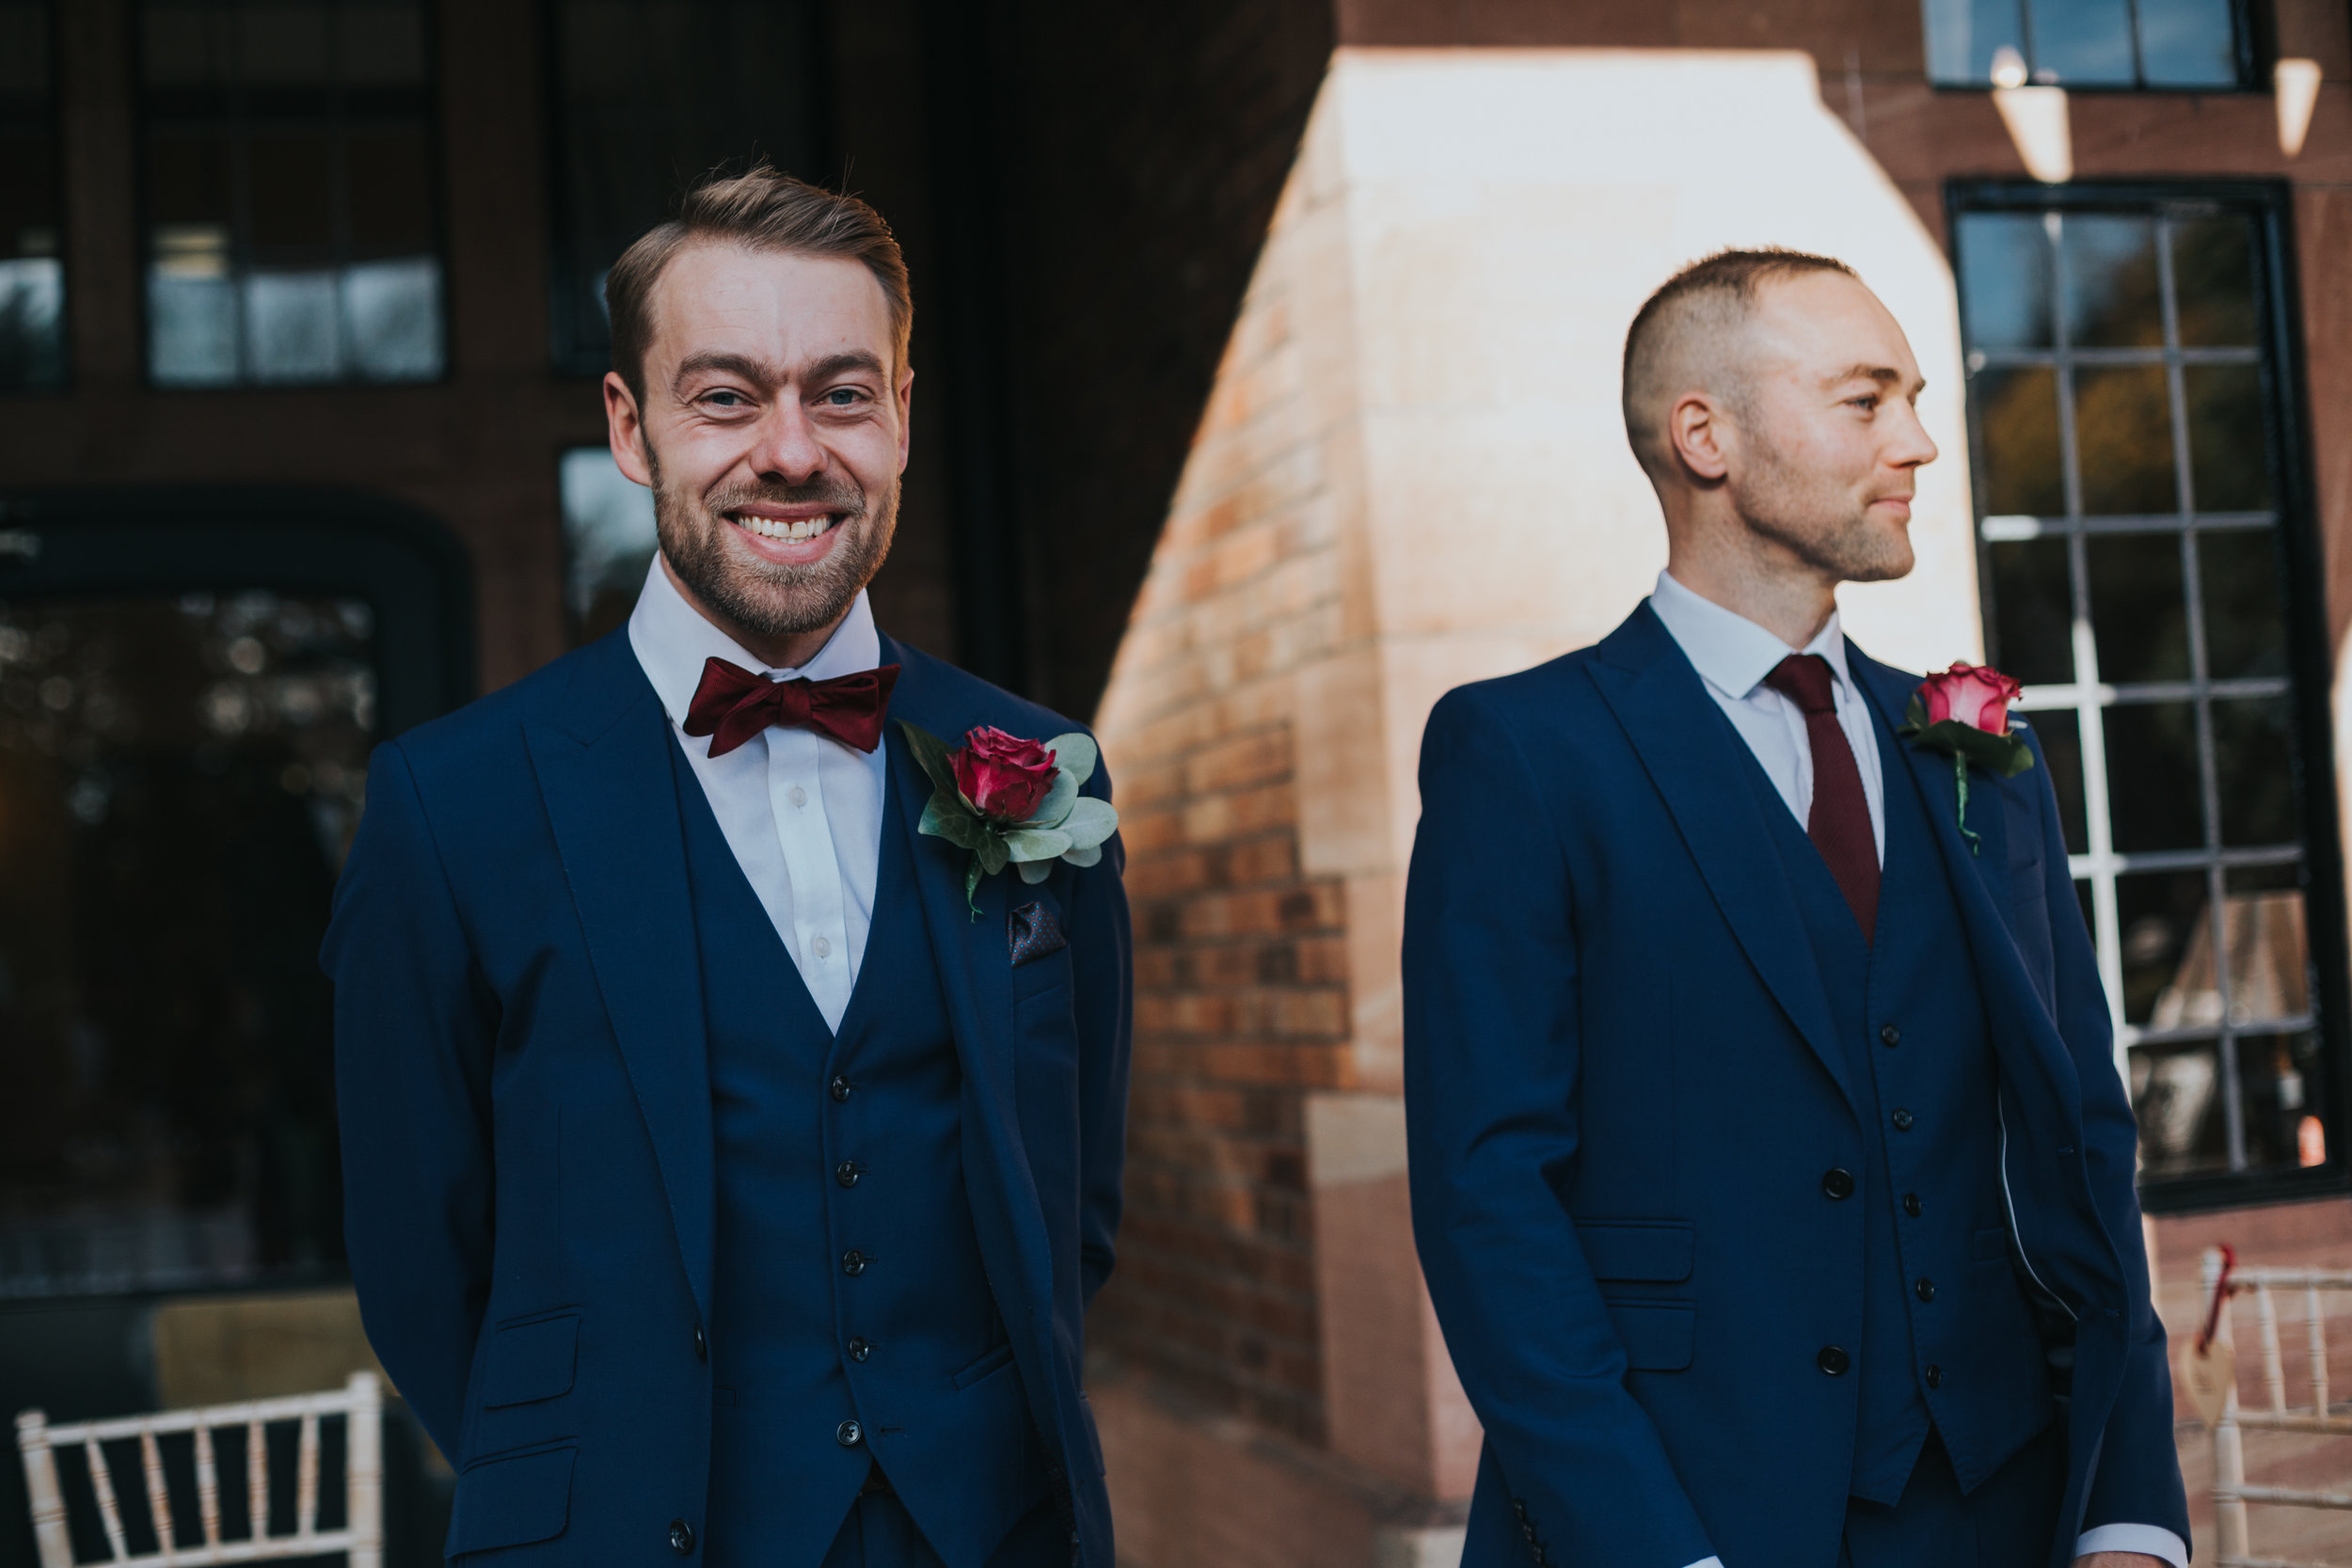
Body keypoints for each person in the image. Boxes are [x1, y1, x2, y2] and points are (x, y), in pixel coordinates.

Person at [325, 167, 1131, 1568]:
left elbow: (1078, 1200)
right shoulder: (449, 804)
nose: (793, 450)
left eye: (841, 392)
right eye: (726, 397)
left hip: (991, 1529)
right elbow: (417, 1255)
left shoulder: (1040, 760)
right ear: (632, 429)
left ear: (900, 413)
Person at [1402, 249, 2186, 1568]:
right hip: (1681, 1514)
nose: (1922, 444)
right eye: (1867, 401)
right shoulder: (1523, 754)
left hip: (2005, 1507)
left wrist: (2128, 1505)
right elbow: (1488, 1201)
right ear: (1704, 435)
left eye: (1916, 399)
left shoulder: (1978, 754)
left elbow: (2085, 1145)